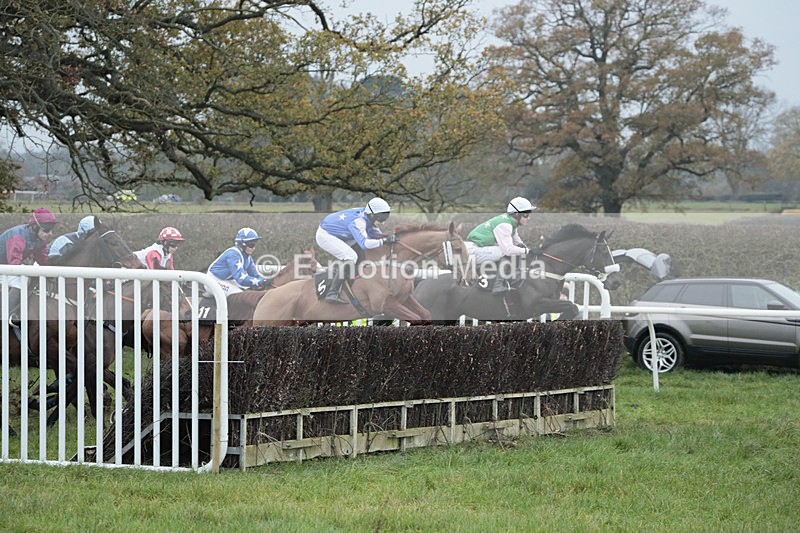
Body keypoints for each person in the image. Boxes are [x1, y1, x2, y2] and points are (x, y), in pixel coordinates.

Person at [315, 197, 396, 304]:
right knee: (351, 256)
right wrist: (384, 240)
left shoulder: (368, 217)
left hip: (343, 234)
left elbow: (377, 236)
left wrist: (389, 239)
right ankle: (332, 293)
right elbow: (365, 244)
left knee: (357, 252)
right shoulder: (359, 221)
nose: (383, 223)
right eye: (381, 219)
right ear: (372, 215)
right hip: (326, 235)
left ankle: (349, 273)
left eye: (385, 219)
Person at [0, 208, 59, 325]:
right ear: (35, 226)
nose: (50, 234)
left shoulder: (39, 241)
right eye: (47, 229)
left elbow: (44, 261)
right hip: (6, 266)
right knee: (21, 280)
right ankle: (5, 315)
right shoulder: (18, 237)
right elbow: (15, 264)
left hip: (6, 267)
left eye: (52, 229)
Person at [466, 197, 536, 294]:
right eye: (526, 214)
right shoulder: (505, 225)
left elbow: (519, 244)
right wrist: (527, 251)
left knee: (514, 250)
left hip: (478, 248)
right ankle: (498, 284)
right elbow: (508, 250)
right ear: (516, 214)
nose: (528, 218)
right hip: (471, 251)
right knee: (505, 251)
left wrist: (531, 250)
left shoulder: (511, 223)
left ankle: (512, 276)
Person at [207, 227, 268, 296]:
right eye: (251, 245)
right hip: (213, 281)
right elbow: (241, 279)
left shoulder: (248, 257)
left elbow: (254, 275)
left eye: (255, 244)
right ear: (243, 244)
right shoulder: (233, 255)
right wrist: (261, 281)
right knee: (239, 294)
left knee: (249, 289)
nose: (254, 248)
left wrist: (265, 281)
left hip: (227, 280)